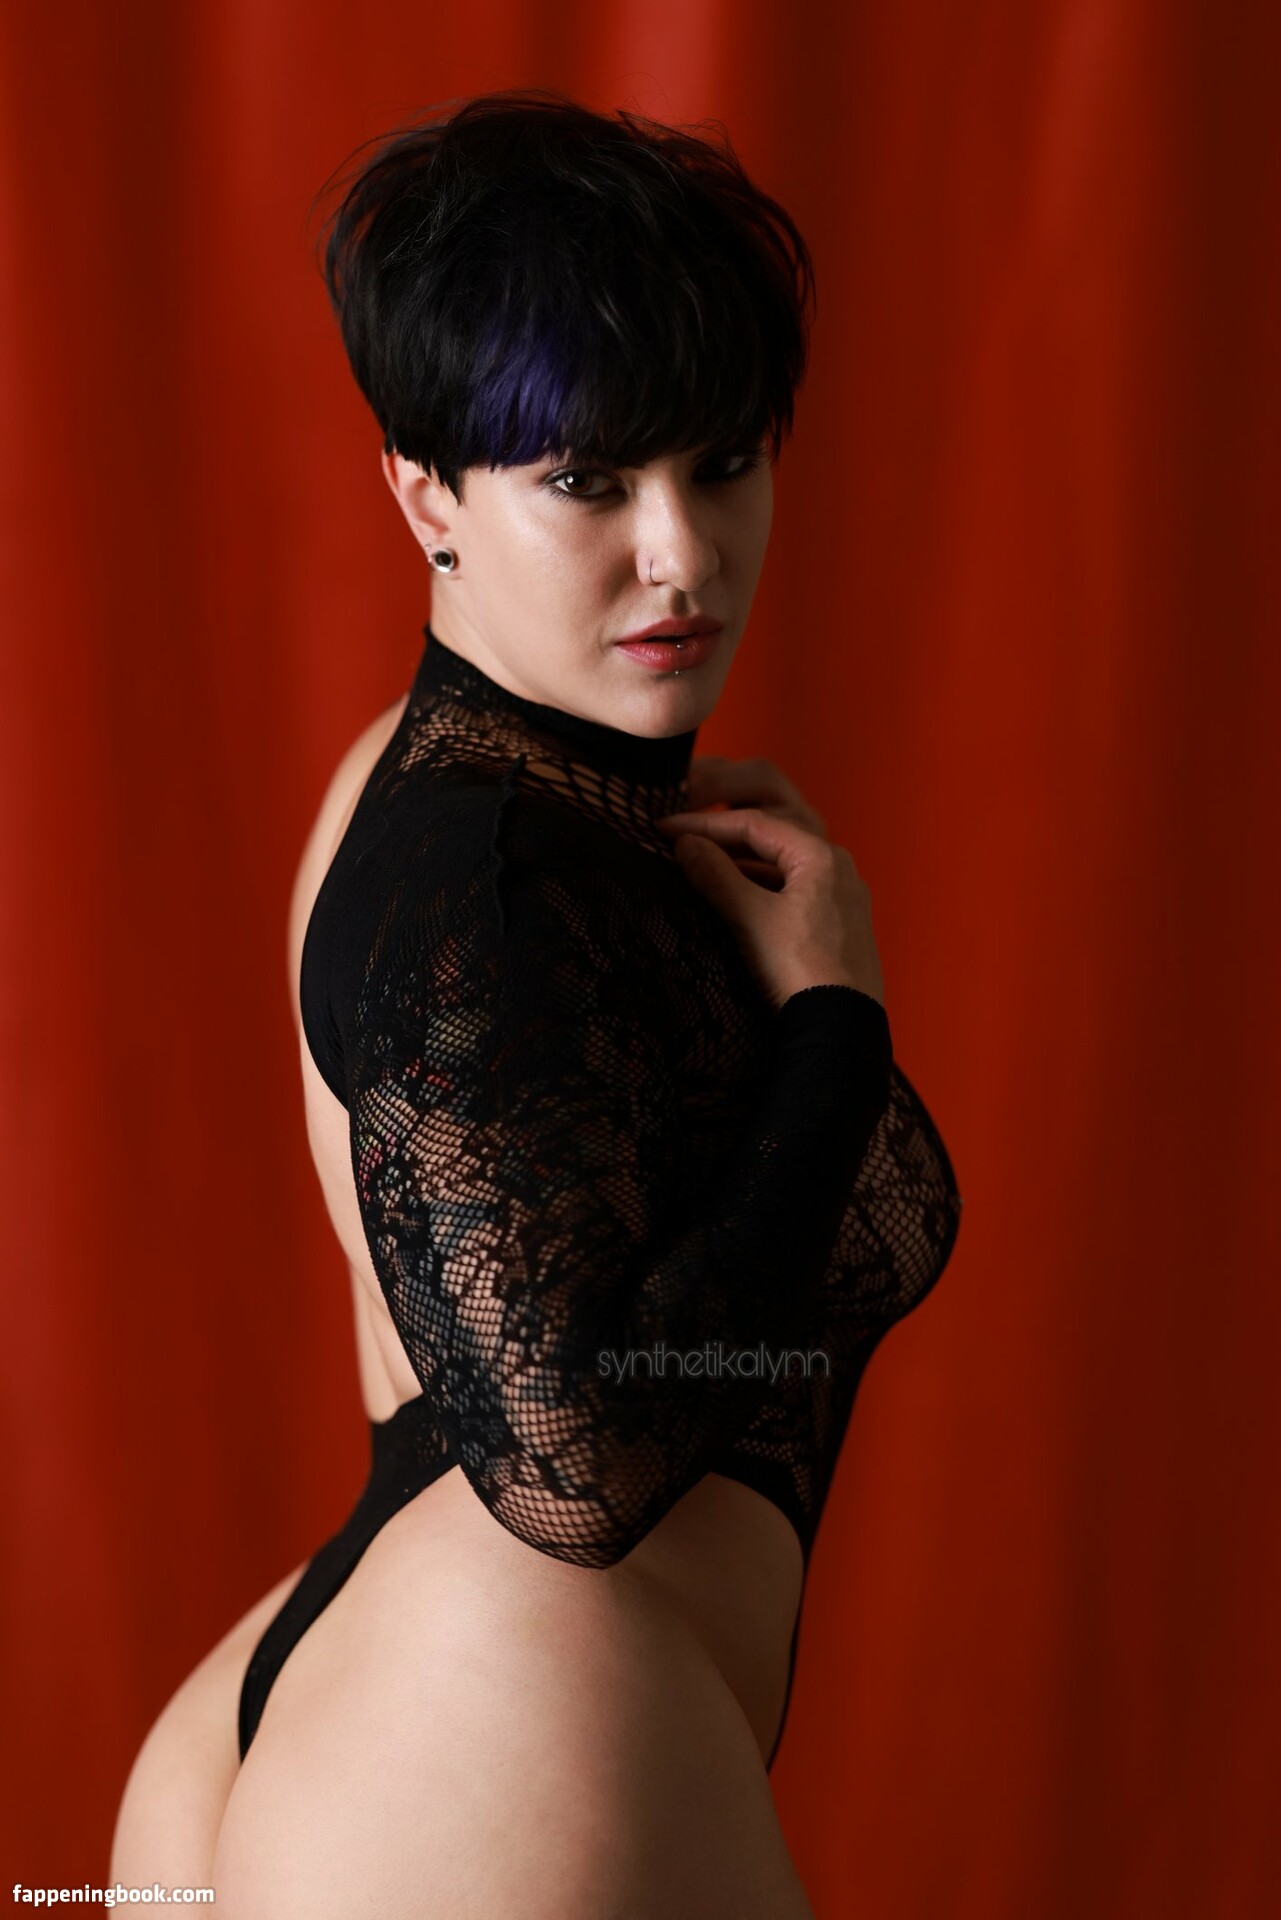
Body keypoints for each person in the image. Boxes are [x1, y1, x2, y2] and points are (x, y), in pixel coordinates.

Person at [110, 87, 962, 1915]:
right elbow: (575, 1449)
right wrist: (829, 1033)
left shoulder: (432, 785)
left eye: (721, 461)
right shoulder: (485, 878)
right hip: (493, 1738)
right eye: (587, 480)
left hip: (412, 1714)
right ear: (425, 492)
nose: (683, 554)